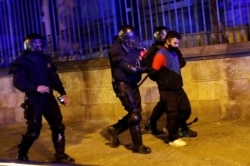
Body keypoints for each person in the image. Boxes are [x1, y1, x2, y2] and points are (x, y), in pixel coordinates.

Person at [9, 33, 75, 163]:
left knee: (58, 127)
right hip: (34, 100)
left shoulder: (46, 59)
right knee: (34, 131)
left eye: (40, 43)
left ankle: (60, 155)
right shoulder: (23, 60)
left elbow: (53, 78)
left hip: (49, 98)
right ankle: (22, 154)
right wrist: (35, 87)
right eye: (35, 44)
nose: (38, 46)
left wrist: (62, 92)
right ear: (29, 45)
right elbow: (19, 82)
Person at [144, 26, 197, 138]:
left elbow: (181, 61)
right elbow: (150, 68)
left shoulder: (174, 49)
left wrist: (173, 66)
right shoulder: (155, 50)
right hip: (165, 83)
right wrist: (162, 74)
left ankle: (180, 127)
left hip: (174, 80)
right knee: (169, 106)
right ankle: (157, 125)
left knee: (179, 107)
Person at [107, 25, 151, 154]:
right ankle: (138, 145)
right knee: (134, 114)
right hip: (122, 85)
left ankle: (115, 129)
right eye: (132, 39)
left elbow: (143, 62)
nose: (135, 41)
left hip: (132, 84)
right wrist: (140, 69)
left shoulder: (135, 49)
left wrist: (149, 63)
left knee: (136, 112)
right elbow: (126, 66)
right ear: (125, 39)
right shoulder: (116, 48)